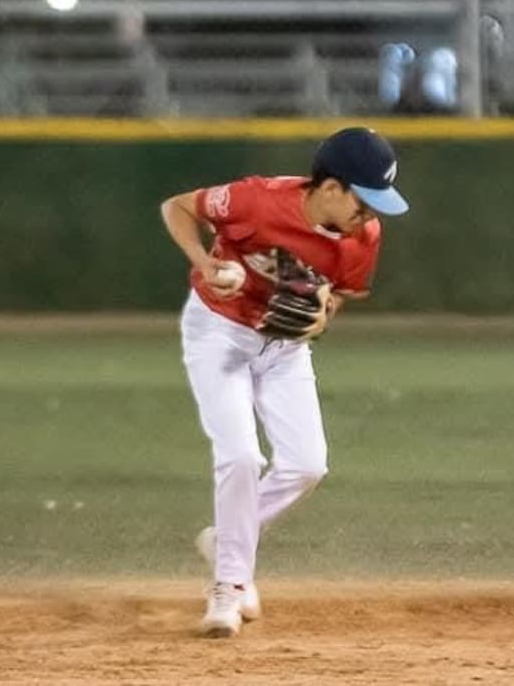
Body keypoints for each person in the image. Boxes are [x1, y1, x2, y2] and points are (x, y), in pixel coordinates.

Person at [159, 127, 409, 638]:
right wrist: (205, 263)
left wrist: (322, 312)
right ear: (332, 188)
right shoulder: (256, 201)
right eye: (364, 200)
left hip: (283, 348)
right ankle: (229, 585)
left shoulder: (365, 236)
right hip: (219, 333)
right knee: (242, 456)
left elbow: (340, 294)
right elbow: (177, 207)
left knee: (306, 464)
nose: (371, 213)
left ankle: (228, 539)